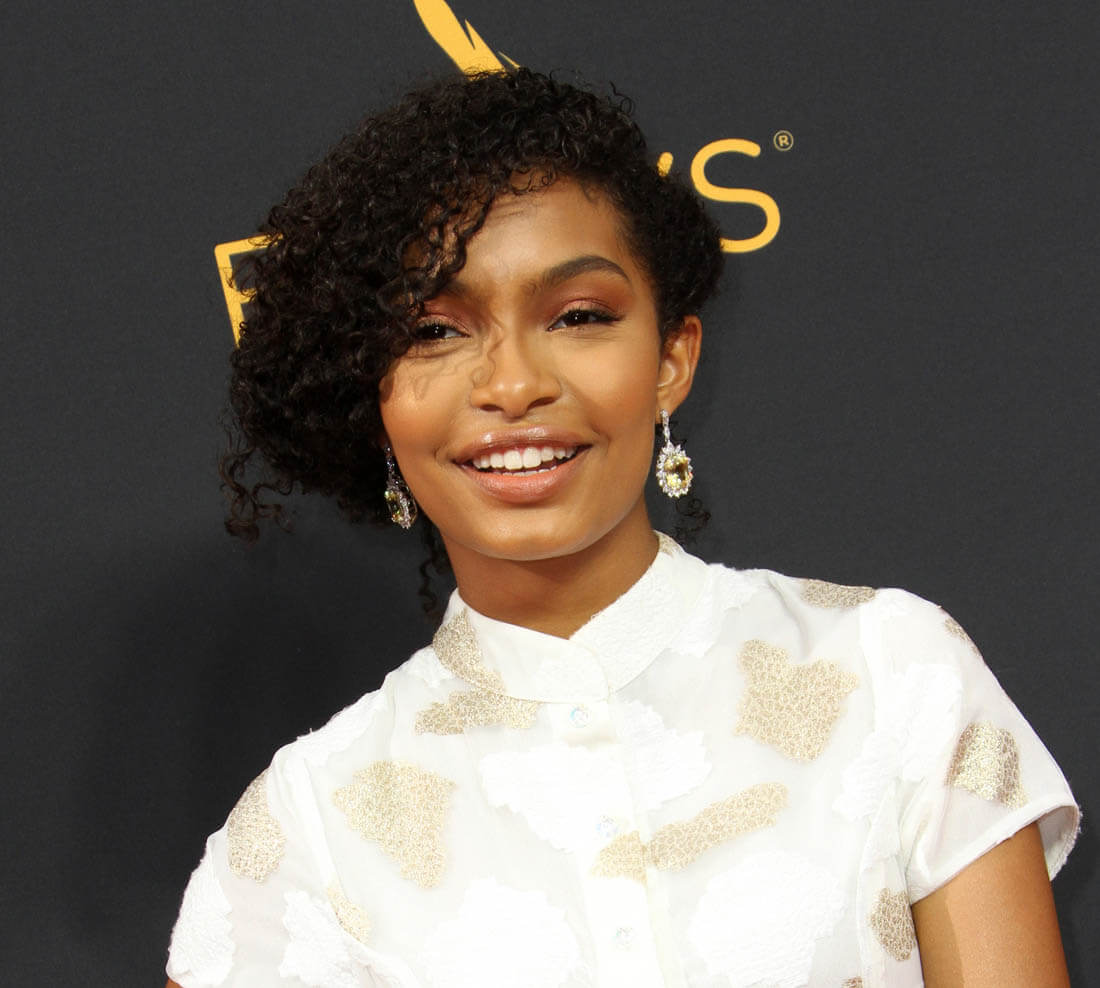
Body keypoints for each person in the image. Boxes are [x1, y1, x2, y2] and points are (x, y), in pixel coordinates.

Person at [166, 69, 1077, 987]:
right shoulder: (306, 829)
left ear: (671, 359)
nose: (512, 384)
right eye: (435, 330)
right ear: (375, 396)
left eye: (578, 317)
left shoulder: (891, 672)